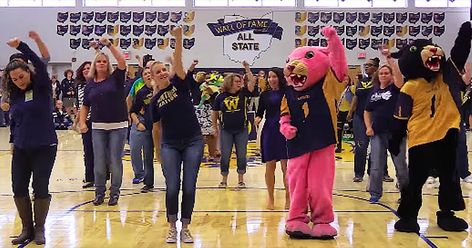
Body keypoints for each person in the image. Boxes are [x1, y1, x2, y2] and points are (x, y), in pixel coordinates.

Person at [150, 27, 204, 244]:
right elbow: (156, 129)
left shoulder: (179, 84)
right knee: (172, 186)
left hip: (193, 140)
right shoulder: (154, 101)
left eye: (164, 69)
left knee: (189, 185)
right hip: (170, 145)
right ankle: (172, 226)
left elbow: (179, 60)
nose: (163, 72)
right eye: (158, 71)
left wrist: (178, 38)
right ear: (153, 77)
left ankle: (186, 226)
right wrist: (158, 152)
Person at [4, 37, 57, 245]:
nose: (19, 81)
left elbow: (39, 61)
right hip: (21, 149)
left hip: (44, 147)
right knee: (18, 187)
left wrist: (22, 46)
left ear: (28, 72)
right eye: (15, 79)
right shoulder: (16, 96)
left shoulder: (42, 86)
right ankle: (26, 228)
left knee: (40, 187)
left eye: (21, 76)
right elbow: (15, 123)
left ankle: (39, 229)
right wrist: (12, 141)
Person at [79, 38, 127, 206]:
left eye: (104, 61)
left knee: (115, 160)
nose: (101, 63)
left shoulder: (116, 78)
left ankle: (114, 193)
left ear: (108, 64)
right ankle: (99, 192)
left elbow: (122, 61)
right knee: (98, 161)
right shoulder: (90, 84)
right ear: (94, 64)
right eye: (98, 61)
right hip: (98, 127)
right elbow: (85, 106)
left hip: (118, 126)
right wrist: (82, 123)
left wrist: (109, 45)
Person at [364, 47, 408, 203]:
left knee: (400, 166)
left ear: (390, 75)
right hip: (377, 133)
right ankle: (375, 194)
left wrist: (389, 59)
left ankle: (405, 194)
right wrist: (369, 127)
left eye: (386, 73)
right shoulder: (374, 91)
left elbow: (399, 76)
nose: (383, 75)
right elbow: (367, 111)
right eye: (381, 73)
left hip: (396, 133)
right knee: (376, 165)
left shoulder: (395, 88)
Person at [212, 62, 256, 189]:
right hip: (226, 130)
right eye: (236, 81)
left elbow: (252, 82)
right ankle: (224, 179)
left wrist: (247, 68)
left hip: (241, 129)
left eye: (240, 81)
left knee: (241, 154)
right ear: (230, 82)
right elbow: (214, 113)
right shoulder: (221, 97)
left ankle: (241, 179)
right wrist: (214, 128)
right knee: (225, 155)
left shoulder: (243, 93)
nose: (239, 83)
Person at [255, 67, 289, 210]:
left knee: (286, 167)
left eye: (274, 76)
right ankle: (270, 197)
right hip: (269, 130)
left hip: (284, 130)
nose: (271, 79)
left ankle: (289, 197)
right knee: (270, 166)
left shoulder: (288, 92)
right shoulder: (265, 95)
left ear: (280, 77)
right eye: (269, 77)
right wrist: (257, 118)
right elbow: (259, 112)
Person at [129, 67, 155, 193]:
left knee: (167, 155)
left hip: (164, 128)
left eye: (150, 72)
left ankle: (172, 180)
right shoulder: (142, 92)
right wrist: (138, 122)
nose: (148, 75)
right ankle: (148, 182)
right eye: (145, 74)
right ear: (142, 78)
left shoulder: (164, 88)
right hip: (148, 126)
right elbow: (133, 110)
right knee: (147, 155)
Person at [75, 61, 95, 188]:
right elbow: (82, 106)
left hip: (99, 120)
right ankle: (89, 177)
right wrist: (76, 122)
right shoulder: (80, 87)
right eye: (84, 69)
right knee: (87, 150)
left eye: (89, 68)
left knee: (100, 150)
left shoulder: (97, 83)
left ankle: (102, 175)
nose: (86, 70)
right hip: (86, 121)